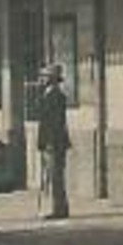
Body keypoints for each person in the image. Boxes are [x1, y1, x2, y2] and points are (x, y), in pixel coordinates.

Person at [35, 63, 71, 220]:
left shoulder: (56, 96)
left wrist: (49, 143)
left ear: (52, 80)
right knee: (53, 177)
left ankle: (60, 209)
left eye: (45, 77)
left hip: (55, 143)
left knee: (56, 177)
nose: (42, 80)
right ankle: (58, 207)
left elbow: (56, 123)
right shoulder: (46, 95)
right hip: (49, 142)